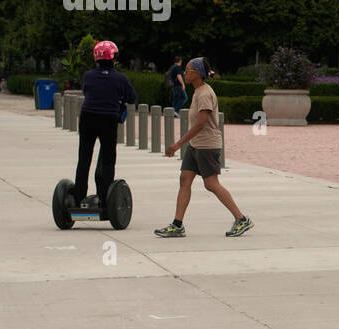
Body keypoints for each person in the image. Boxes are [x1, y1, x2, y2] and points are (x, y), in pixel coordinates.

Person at [156, 58, 252, 237]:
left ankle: (241, 219)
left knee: (211, 184)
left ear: (198, 74)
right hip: (196, 146)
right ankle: (177, 225)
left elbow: (201, 123)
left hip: (207, 146)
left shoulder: (205, 93)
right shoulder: (198, 91)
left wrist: (177, 144)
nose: (185, 73)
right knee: (185, 179)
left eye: (188, 70)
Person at [72, 41, 138, 210]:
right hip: (108, 119)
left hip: (88, 118)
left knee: (84, 158)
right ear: (113, 58)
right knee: (108, 159)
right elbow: (132, 98)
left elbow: (87, 91)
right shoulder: (120, 78)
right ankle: (104, 198)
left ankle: (79, 197)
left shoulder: (88, 76)